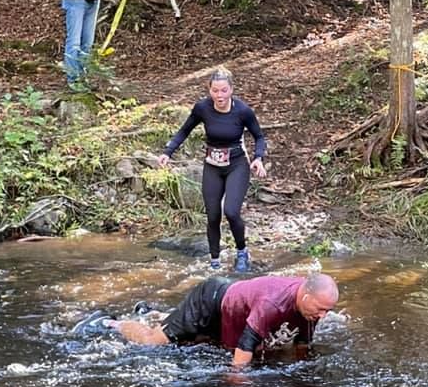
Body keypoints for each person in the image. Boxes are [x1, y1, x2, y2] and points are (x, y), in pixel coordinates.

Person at [158, 66, 266, 273]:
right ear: (209, 90)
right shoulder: (202, 108)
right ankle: (215, 261)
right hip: (212, 166)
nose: (219, 96)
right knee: (213, 215)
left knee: (232, 212)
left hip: (237, 165)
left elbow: (259, 136)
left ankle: (242, 252)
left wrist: (258, 158)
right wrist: (167, 152)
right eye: (215, 91)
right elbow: (184, 131)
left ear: (231, 90)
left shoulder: (242, 111)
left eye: (224, 90)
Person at [111, 272, 340, 368]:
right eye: (321, 310)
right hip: (209, 303)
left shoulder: (312, 306)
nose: (323, 316)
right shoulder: (272, 304)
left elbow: (302, 345)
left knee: (198, 343)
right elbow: (241, 359)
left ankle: (156, 314)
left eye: (328, 311)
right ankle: (113, 323)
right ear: (306, 295)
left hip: (232, 311)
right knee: (153, 341)